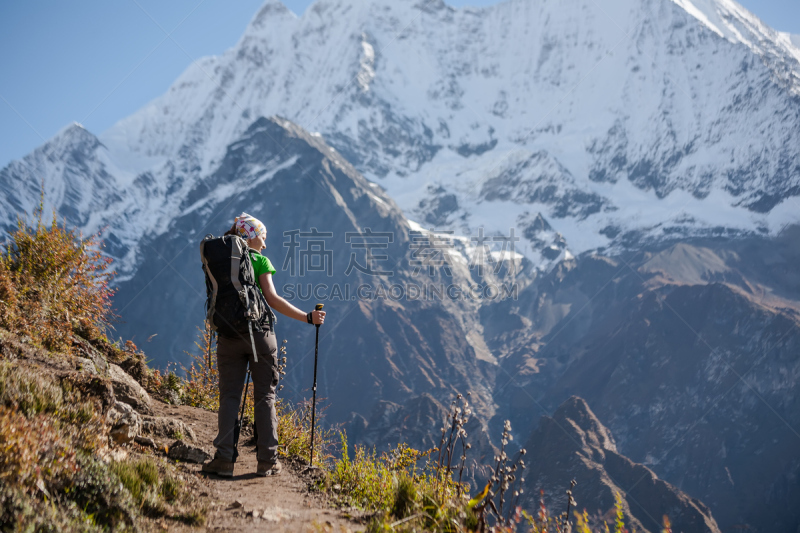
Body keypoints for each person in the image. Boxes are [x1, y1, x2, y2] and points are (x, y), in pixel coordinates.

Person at [202, 213, 326, 477]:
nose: (265, 244)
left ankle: (224, 460)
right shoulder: (258, 260)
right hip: (259, 335)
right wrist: (307, 317)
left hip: (227, 335)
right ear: (249, 236)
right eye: (262, 237)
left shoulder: (220, 259)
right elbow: (272, 298)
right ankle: (267, 461)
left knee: (229, 397)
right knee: (264, 397)